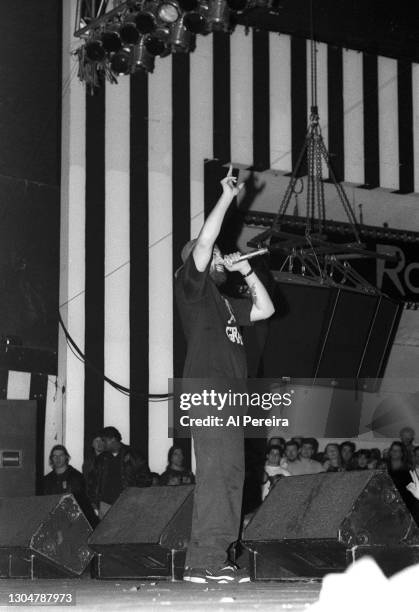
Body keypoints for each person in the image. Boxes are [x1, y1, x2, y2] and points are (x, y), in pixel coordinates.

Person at [175, 165, 275, 584]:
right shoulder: (191, 288)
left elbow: (267, 310)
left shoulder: (226, 303)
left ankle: (217, 558)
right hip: (208, 391)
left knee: (231, 475)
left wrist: (247, 272)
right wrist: (226, 198)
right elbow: (204, 243)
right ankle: (203, 562)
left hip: (231, 396)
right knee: (218, 474)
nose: (218, 254)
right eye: (212, 253)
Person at [90, 426, 152, 518]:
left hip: (128, 505)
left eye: (104, 440)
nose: (102, 443)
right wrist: (94, 502)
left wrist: (133, 495)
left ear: (113, 439)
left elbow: (146, 479)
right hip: (105, 505)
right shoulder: (101, 459)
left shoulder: (134, 455)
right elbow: (93, 482)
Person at [42, 444, 98, 527]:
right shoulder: (47, 480)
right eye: (55, 456)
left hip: (74, 520)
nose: (58, 458)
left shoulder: (76, 477)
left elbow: (82, 501)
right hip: (54, 519)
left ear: (66, 457)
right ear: (51, 458)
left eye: (61, 455)